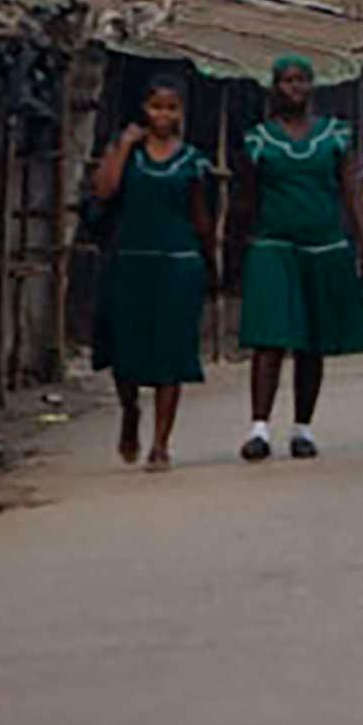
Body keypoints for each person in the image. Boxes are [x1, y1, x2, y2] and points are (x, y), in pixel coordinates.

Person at [235, 55, 363, 461]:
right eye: (287, 81)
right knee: (270, 338)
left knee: (311, 342)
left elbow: (351, 192)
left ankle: (303, 428)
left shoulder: (334, 136)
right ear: (275, 88)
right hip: (273, 245)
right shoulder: (258, 140)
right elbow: (246, 198)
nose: (295, 88)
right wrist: (237, 248)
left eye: (302, 80)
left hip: (323, 245)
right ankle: (259, 428)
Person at [89, 75, 212, 472]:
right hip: (131, 261)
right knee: (125, 352)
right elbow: (104, 191)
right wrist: (124, 145)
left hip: (178, 263)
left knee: (170, 353)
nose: (164, 114)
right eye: (156, 106)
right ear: (143, 110)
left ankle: (161, 444)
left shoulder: (192, 160)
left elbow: (201, 217)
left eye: (171, 107)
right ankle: (130, 413)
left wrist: (209, 259)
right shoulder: (128, 153)